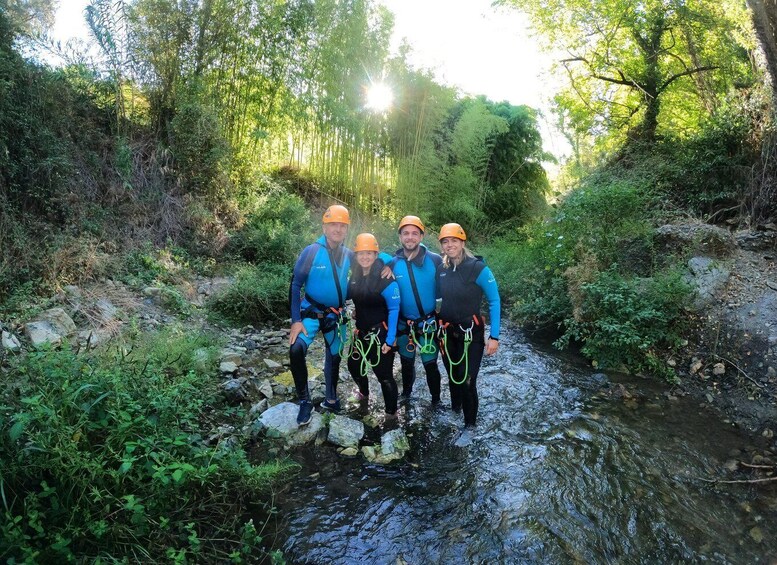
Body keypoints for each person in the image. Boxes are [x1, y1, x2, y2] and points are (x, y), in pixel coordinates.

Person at [289, 204, 352, 425]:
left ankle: (331, 399)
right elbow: (295, 284)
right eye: (333, 224)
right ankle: (305, 401)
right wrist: (295, 321)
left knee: (334, 357)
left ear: (346, 229)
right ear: (324, 227)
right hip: (311, 313)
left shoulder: (347, 254)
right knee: (296, 349)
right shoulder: (312, 251)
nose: (337, 229)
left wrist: (387, 264)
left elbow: (370, 261)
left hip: (336, 316)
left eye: (342, 226)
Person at [436, 223, 500, 430]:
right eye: (445, 241)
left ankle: (470, 426)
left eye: (454, 240)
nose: (449, 245)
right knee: (453, 377)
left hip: (471, 334)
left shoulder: (478, 268)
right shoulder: (442, 269)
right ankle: (455, 411)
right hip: (447, 333)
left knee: (468, 381)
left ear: (462, 242)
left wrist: (494, 337)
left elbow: (494, 301)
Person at [345, 233, 401, 418]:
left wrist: (391, 339)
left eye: (369, 253)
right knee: (353, 365)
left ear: (376, 255)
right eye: (361, 253)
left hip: (381, 334)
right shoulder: (355, 276)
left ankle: (391, 414)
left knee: (383, 376)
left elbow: (394, 309)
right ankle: (364, 393)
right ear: (356, 255)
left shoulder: (385, 278)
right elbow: (343, 294)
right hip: (361, 333)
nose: (365, 257)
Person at [390, 215, 443, 404]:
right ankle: (406, 395)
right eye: (406, 233)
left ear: (421, 236)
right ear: (400, 237)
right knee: (406, 363)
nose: (410, 237)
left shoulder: (435, 260)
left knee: (430, 366)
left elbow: (450, 287)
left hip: (428, 323)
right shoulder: (393, 264)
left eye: (414, 233)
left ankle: (436, 400)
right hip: (405, 324)